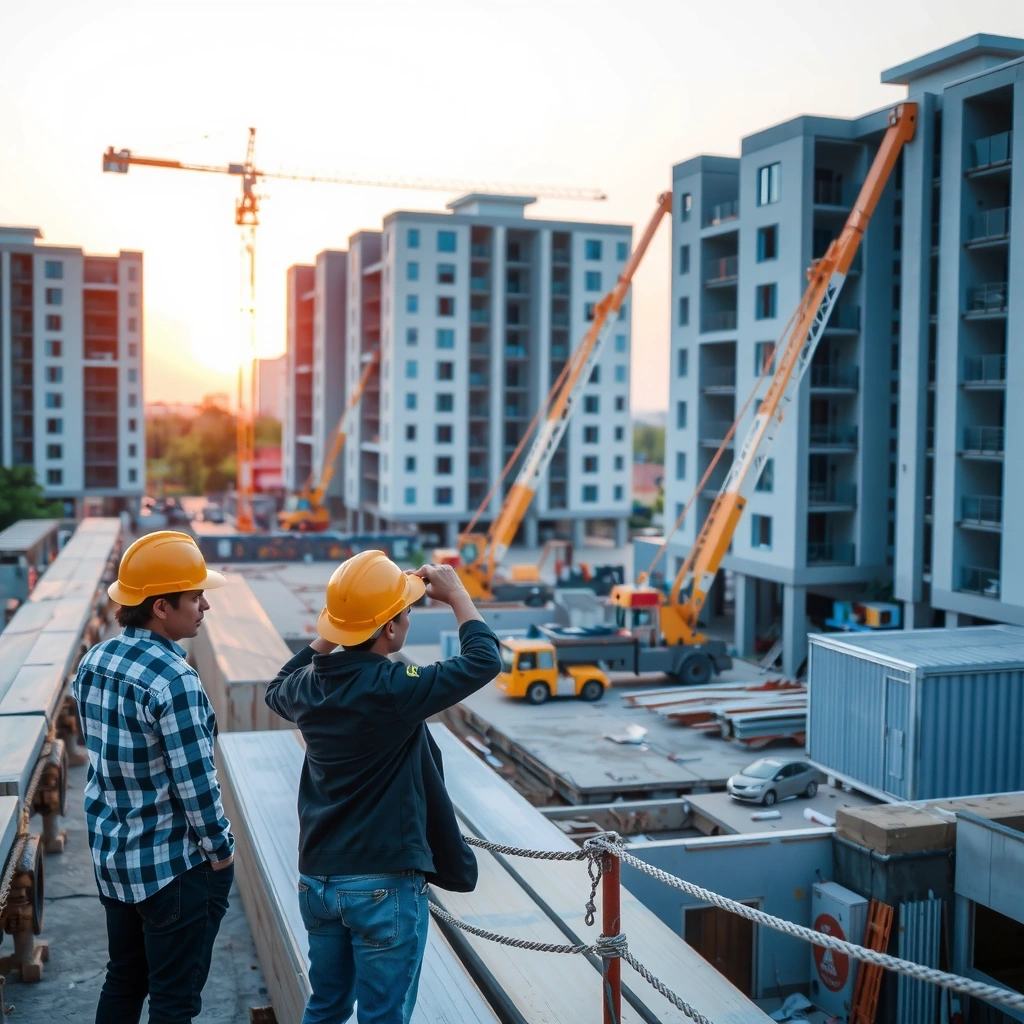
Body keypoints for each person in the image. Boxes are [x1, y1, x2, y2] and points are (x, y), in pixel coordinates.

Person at [265, 552, 502, 1024]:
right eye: (406, 612)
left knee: (327, 1006)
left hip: (317, 881)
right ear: (390, 630)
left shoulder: (307, 688)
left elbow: (276, 687)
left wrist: (333, 633)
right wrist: (457, 595)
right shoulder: (395, 688)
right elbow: (484, 660)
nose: (408, 620)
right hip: (382, 885)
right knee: (382, 1016)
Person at [73, 531, 235, 1024]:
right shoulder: (175, 680)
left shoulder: (94, 662)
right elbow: (196, 786)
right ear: (161, 607)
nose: (204, 605)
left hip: (114, 856)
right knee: (174, 999)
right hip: (171, 868)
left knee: (123, 978)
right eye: (195, 597)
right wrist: (222, 852)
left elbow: (101, 757)